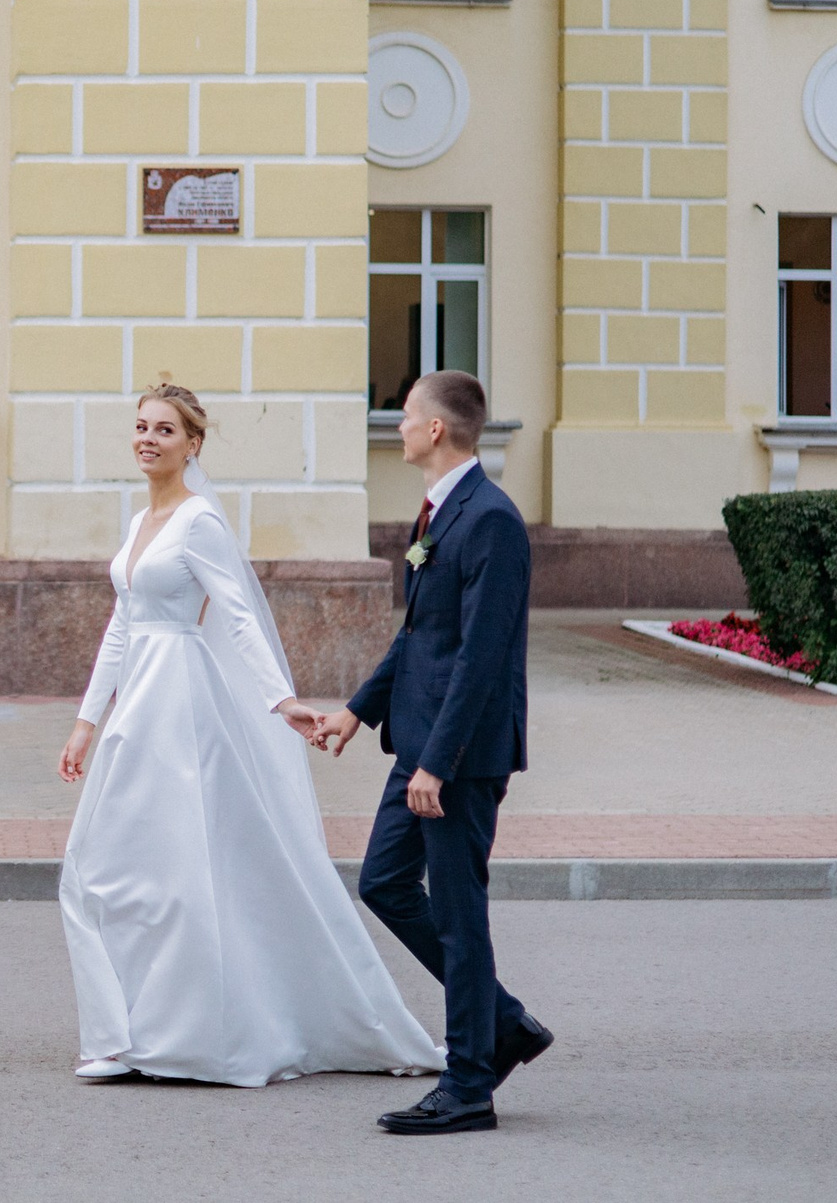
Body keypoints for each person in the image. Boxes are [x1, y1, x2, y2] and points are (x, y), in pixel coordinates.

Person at [56, 384, 443, 1088]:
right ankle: (123, 1031)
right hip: (135, 707)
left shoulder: (198, 521)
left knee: (178, 871)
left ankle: (172, 1036)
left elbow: (237, 614)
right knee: (104, 868)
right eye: (141, 426)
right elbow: (121, 624)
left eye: (165, 429)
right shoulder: (141, 520)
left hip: (181, 706)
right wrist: (86, 723)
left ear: (192, 443)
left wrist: (280, 698)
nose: (148, 439)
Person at [320, 369, 552, 1134]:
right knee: (384, 881)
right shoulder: (440, 511)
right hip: (420, 743)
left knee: (457, 915)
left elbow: (480, 658)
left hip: (457, 757)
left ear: (436, 430)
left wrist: (438, 764)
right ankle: (502, 1022)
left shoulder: (490, 520)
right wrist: (358, 711)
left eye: (406, 414)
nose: (397, 424)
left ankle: (469, 1084)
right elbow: (422, 636)